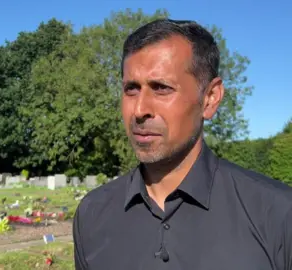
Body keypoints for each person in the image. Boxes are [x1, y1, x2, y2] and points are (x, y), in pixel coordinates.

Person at [73, 19, 292, 270]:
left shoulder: (277, 214)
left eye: (161, 88)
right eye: (131, 89)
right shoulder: (92, 214)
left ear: (210, 99)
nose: (140, 109)